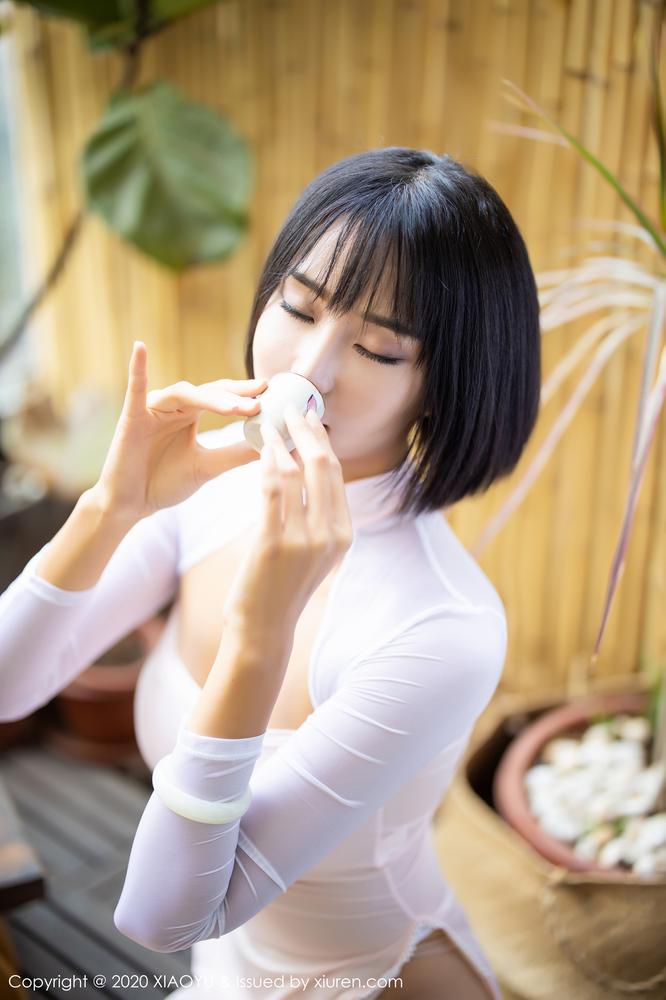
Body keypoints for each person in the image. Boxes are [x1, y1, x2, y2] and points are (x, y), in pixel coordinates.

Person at [0, 147, 541, 999]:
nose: (308, 369)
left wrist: (259, 636)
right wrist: (112, 506)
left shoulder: (445, 628)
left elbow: (162, 917)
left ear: (443, 384)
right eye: (298, 306)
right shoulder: (207, 485)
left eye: (379, 348)